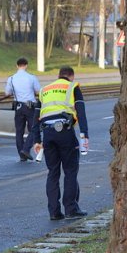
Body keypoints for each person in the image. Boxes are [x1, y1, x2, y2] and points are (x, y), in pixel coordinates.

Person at [37, 66, 89, 220]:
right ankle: (71, 209)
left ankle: (54, 212)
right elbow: (81, 111)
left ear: (59, 76)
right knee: (70, 171)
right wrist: (84, 135)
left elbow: (36, 116)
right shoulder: (73, 87)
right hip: (65, 132)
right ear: (71, 76)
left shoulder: (44, 90)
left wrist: (36, 140)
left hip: (47, 133)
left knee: (53, 172)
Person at [4, 57, 41, 161]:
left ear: (17, 66)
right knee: (34, 129)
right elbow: (38, 91)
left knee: (19, 131)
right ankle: (25, 149)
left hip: (18, 107)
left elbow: (7, 93)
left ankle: (22, 154)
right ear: (26, 65)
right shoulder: (32, 77)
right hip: (30, 107)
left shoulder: (11, 78)